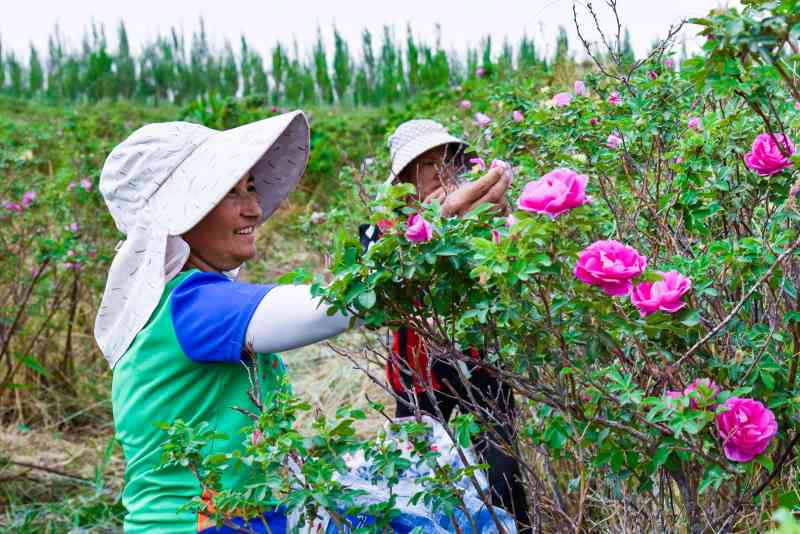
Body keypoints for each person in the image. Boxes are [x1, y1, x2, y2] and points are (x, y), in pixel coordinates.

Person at [95, 112, 515, 533]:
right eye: (230, 194)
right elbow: (329, 308)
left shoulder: (180, 300)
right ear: (182, 212)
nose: (254, 210)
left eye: (251, 189)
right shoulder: (192, 304)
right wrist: (434, 232)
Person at [360, 119, 530, 533]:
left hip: (481, 368)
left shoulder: (477, 221)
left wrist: (496, 227)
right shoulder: (378, 235)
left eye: (448, 160)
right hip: (417, 376)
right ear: (403, 179)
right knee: (420, 477)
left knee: (503, 473)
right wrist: (432, 226)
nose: (441, 171)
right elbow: (375, 311)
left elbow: (503, 284)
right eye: (427, 163)